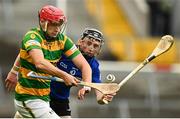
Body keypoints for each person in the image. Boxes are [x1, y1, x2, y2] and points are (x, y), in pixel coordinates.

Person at [5, 5, 92, 118]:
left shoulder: (63, 41)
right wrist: (65, 75)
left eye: (59, 25)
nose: (57, 29)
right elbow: (40, 63)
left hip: (44, 99)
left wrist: (86, 86)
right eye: (54, 25)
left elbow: (84, 65)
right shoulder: (32, 37)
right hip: (28, 98)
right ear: (42, 22)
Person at [50, 28, 116, 118]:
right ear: (80, 41)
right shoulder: (65, 50)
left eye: (96, 46)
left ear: (99, 50)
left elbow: (99, 96)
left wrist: (105, 97)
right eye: (89, 43)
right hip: (42, 93)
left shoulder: (94, 66)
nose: (91, 48)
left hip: (60, 100)